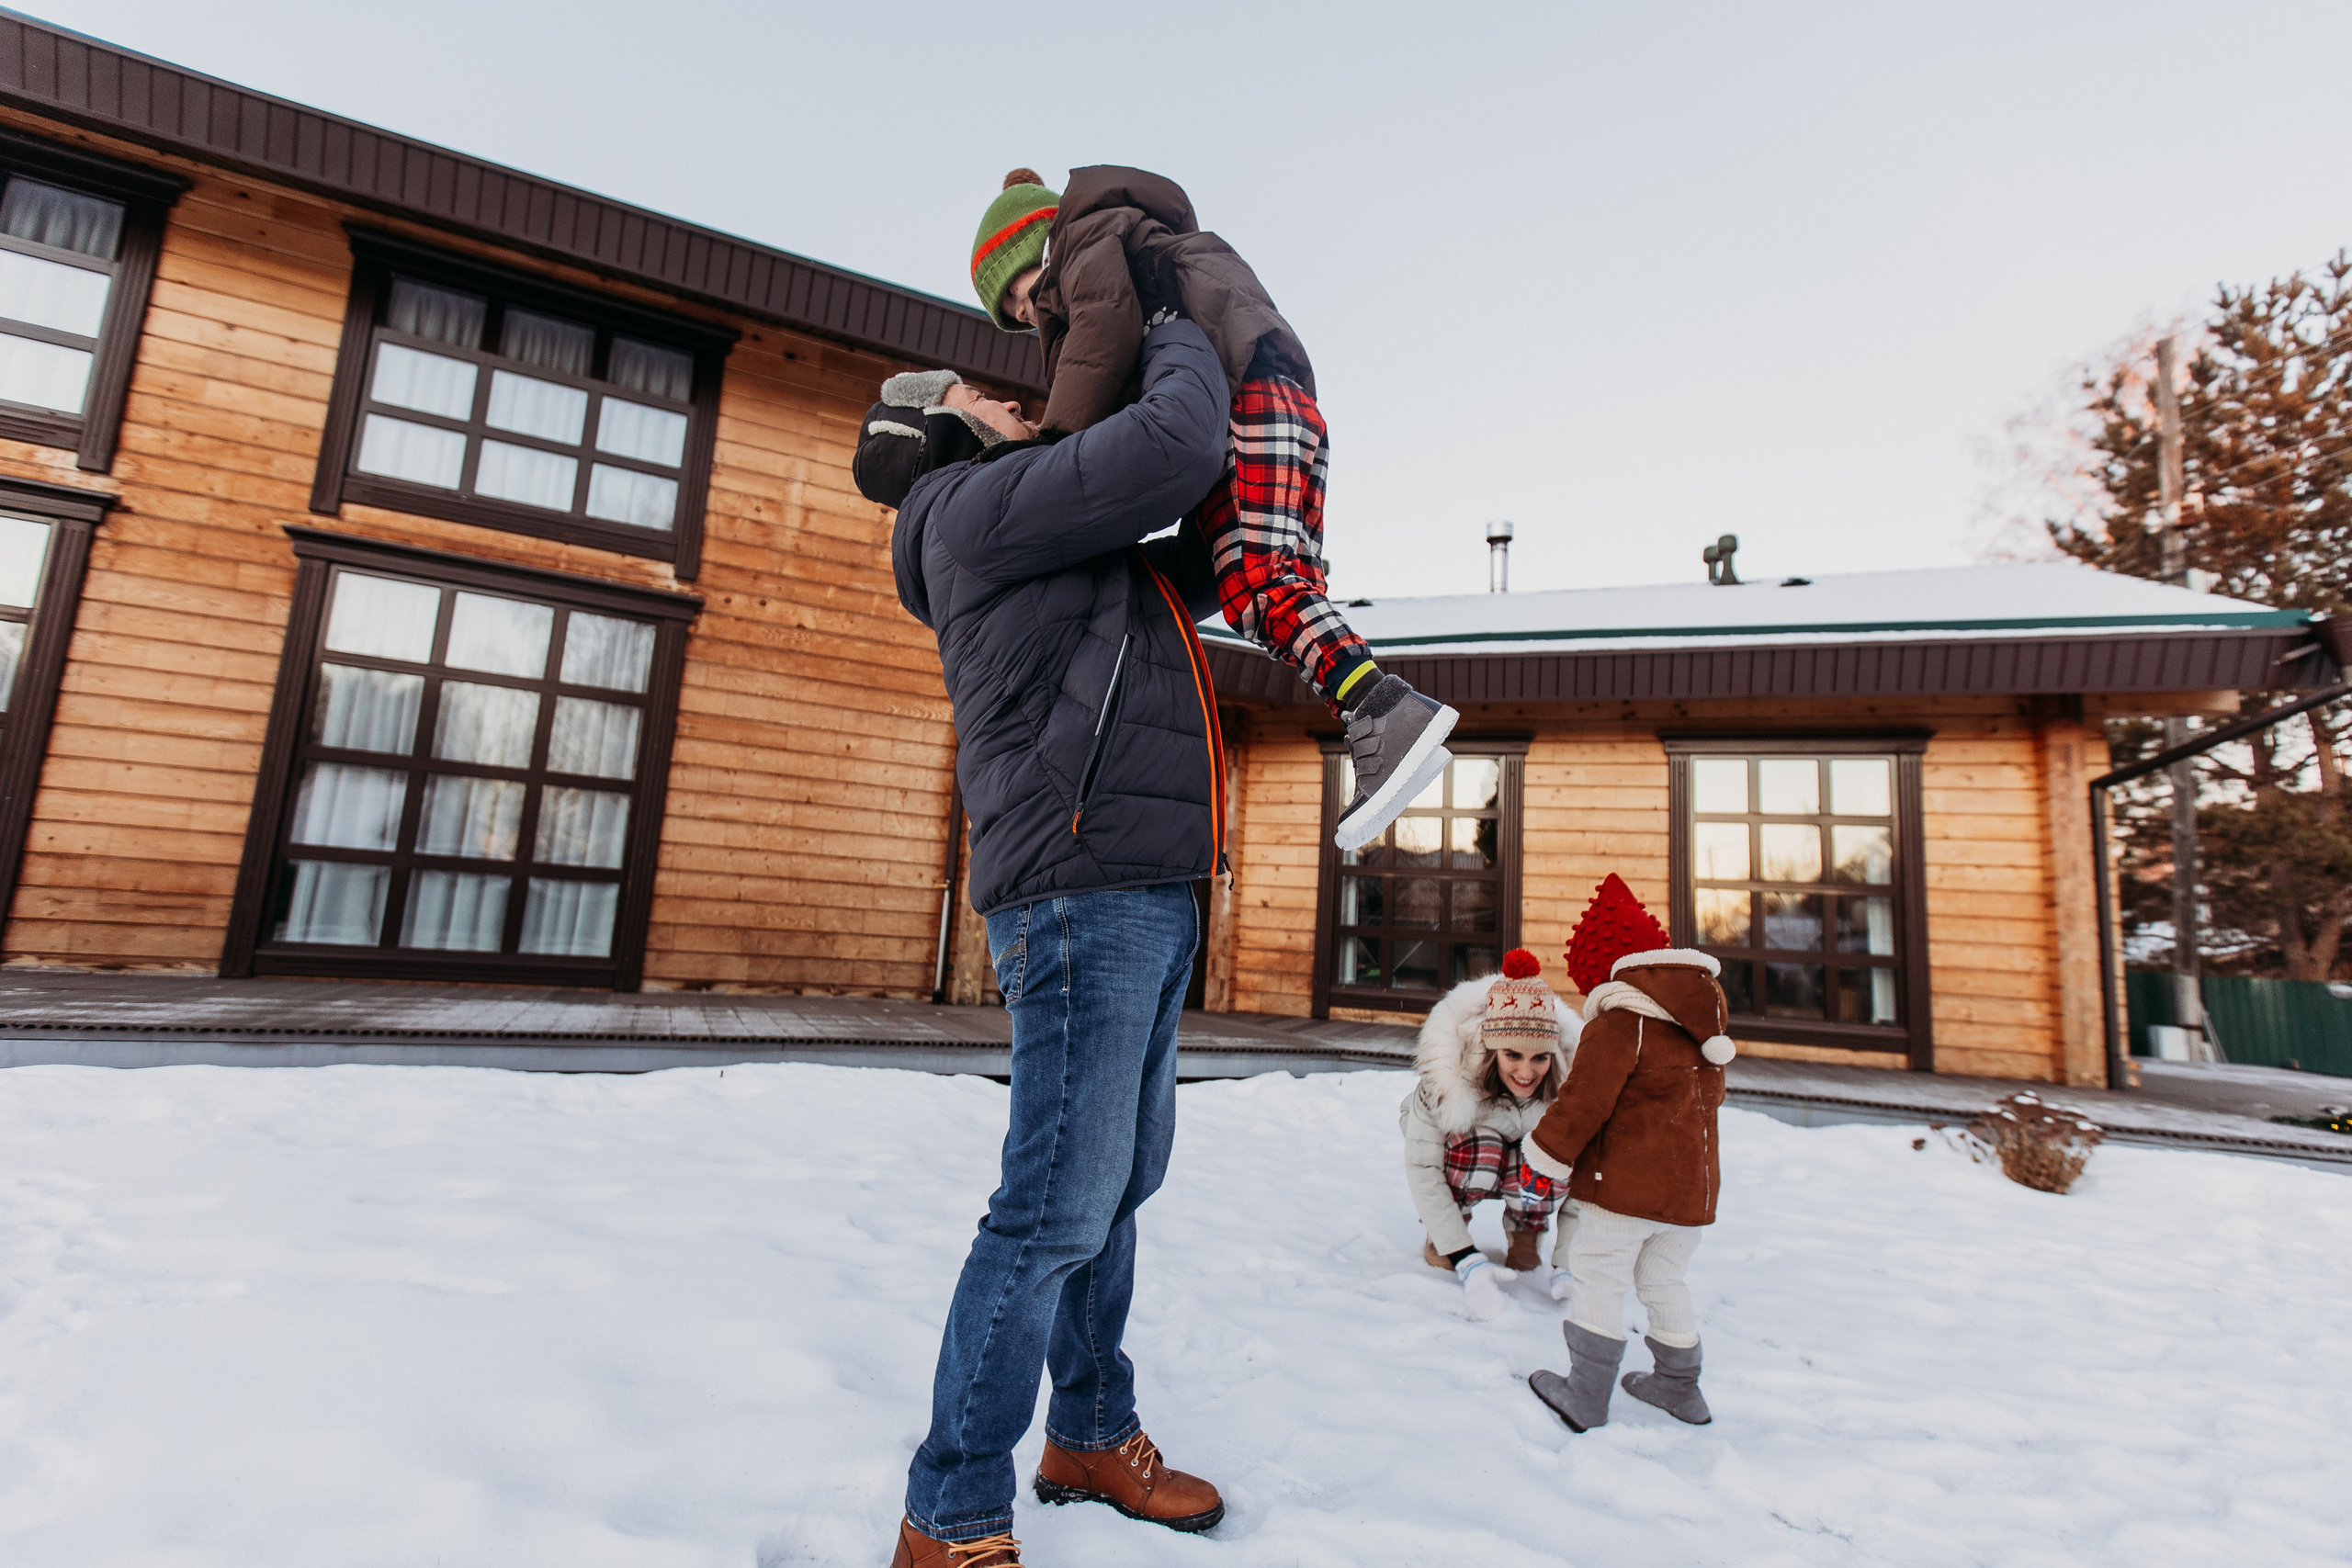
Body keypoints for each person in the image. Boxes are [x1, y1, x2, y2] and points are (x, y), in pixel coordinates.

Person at [854, 312, 1235, 1568]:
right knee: (1052, 1209)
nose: (1021, 401)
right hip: (1080, 891)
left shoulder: (1059, 546)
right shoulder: (971, 507)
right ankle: (950, 1511)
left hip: (1144, 881)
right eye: (990, 395)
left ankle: (1087, 1432)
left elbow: (1205, 541)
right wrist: (1172, 324)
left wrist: (1278, 471)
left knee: (1114, 1190)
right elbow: (1173, 442)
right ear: (939, 426)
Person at [967, 165, 1457, 853]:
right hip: (1275, 400)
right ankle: (1374, 719)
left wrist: (1057, 449)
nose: (1027, 316)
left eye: (1019, 299)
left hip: (1246, 401)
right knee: (1278, 583)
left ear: (1033, 251)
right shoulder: (1124, 244)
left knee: (1258, 587)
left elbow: (1100, 337)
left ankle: (1382, 710)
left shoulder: (1082, 245)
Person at [1523, 874, 1736, 1433]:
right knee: (1664, 1281)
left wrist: (1544, 1154)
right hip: (1690, 1194)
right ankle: (1678, 1387)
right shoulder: (1701, 1025)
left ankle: (1585, 1394)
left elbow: (1583, 1103)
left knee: (1599, 1276)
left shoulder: (1622, 1024)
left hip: (1625, 1190)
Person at [1401, 948, 1581, 1320]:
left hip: (1523, 1156)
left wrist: (1567, 1262)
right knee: (1479, 1149)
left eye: (1539, 1058)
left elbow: (1589, 1180)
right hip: (1468, 1149)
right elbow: (1423, 1168)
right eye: (1512, 1055)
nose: (1526, 1073)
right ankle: (1445, 1238)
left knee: (1550, 1155)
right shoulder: (1449, 1078)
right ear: (1491, 1049)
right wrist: (1464, 1256)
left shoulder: (1571, 1086)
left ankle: (1525, 1232)